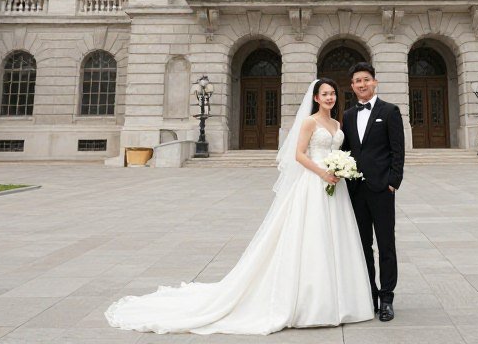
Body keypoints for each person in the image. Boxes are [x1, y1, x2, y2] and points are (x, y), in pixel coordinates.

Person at [105, 78, 373, 335]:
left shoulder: (338, 123)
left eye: (333, 94)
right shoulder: (309, 122)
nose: (329, 98)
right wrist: (322, 172)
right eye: (324, 94)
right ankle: (311, 302)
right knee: (312, 239)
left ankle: (340, 300)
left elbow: (339, 152)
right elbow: (299, 155)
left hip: (335, 189)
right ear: (315, 98)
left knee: (335, 239)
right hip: (313, 185)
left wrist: (339, 170)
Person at [341, 62, 405, 322]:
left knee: (386, 243)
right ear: (352, 86)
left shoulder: (390, 111)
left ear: (374, 82)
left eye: (366, 80)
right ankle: (371, 294)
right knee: (363, 246)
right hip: (356, 190)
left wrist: (393, 181)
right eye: (357, 81)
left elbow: (397, 150)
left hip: (381, 188)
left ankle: (388, 297)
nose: (362, 84)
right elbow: (346, 149)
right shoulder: (346, 115)